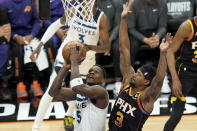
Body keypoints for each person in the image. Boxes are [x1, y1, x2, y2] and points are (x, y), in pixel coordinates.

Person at [30, 0, 110, 130]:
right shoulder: (74, 10)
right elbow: (56, 25)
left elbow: (106, 46)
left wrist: (88, 47)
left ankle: (69, 115)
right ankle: (35, 127)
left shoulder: (102, 18)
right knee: (50, 90)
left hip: (86, 59)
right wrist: (40, 45)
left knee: (79, 91)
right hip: (66, 55)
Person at [108, 0, 172, 130]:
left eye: (139, 74)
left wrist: (163, 53)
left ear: (146, 82)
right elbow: (124, 48)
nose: (134, 74)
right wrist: (123, 20)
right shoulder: (127, 81)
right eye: (136, 72)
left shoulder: (146, 98)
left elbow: (159, 79)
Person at [48, 43, 109, 131]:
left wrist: (74, 62)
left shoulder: (101, 91)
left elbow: (77, 87)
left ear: (102, 80)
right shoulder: (80, 92)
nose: (91, 72)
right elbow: (53, 92)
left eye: (96, 72)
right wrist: (65, 67)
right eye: (90, 71)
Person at [0, 0, 43, 104]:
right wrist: (15, 36)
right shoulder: (3, 4)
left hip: (30, 35)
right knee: (17, 51)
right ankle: (20, 84)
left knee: (38, 48)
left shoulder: (28, 2)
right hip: (14, 37)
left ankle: (35, 82)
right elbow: (6, 28)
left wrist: (32, 35)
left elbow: (37, 21)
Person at [163, 16, 197, 131]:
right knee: (176, 116)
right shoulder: (187, 27)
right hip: (185, 72)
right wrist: (175, 79)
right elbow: (170, 52)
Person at [127, 0, 167, 66]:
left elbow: (163, 26)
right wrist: (146, 40)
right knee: (131, 44)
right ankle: (128, 73)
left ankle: (167, 73)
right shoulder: (133, 3)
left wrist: (157, 37)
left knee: (167, 41)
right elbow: (131, 28)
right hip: (138, 33)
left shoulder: (162, 3)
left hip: (155, 33)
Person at [0, 5, 11, 100]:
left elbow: (7, 34)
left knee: (4, 48)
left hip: (1, 43)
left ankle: (3, 86)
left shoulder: (1, 9)